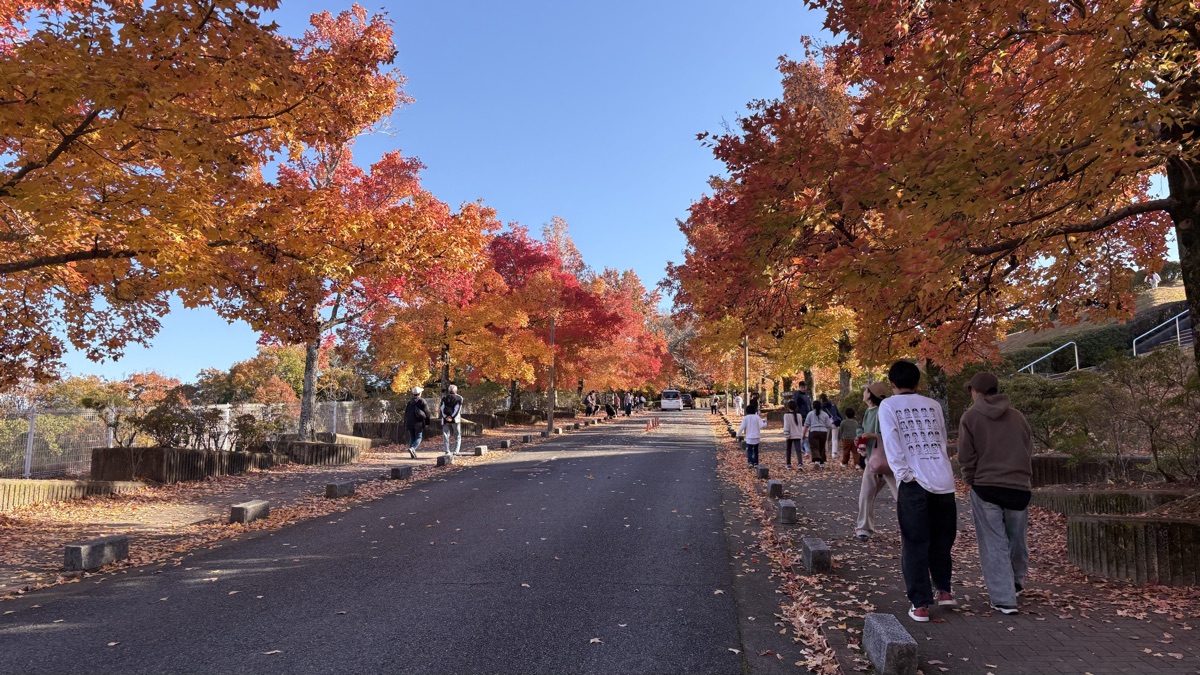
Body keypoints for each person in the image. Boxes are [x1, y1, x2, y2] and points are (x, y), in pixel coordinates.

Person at [878, 361, 958, 623]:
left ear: (892, 384)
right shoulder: (933, 405)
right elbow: (942, 438)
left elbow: (892, 443)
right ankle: (944, 591)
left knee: (915, 542)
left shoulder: (888, 405)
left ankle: (920, 604)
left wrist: (903, 475)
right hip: (943, 478)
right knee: (941, 540)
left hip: (914, 483)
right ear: (917, 382)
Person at [959, 372, 1033, 616]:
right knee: (1017, 539)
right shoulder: (1018, 417)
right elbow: (1027, 447)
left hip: (987, 485)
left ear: (975, 392)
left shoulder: (970, 417)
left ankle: (1003, 598)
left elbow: (966, 456)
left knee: (994, 543)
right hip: (1018, 485)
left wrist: (971, 479)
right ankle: (1016, 582)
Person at [855, 382, 897, 541]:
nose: (864, 392)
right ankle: (863, 529)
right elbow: (864, 430)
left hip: (887, 460)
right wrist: (861, 437)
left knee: (902, 495)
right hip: (873, 460)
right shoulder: (868, 411)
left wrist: (870, 436)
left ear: (871, 394)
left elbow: (886, 434)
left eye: (866, 390)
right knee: (866, 494)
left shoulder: (881, 411)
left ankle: (913, 527)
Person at [403, 386, 430, 459]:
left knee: (412, 437)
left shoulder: (409, 402)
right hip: (419, 423)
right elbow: (427, 413)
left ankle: (412, 451)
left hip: (409, 422)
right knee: (419, 437)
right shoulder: (422, 401)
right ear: (420, 393)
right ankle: (413, 448)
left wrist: (405, 423)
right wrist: (427, 423)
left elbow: (406, 413)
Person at [803, 400, 833, 466]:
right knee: (821, 447)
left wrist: (803, 434)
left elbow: (806, 425)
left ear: (813, 406)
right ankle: (821, 462)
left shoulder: (810, 414)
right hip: (823, 432)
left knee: (814, 447)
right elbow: (829, 425)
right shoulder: (825, 414)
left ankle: (817, 460)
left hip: (813, 432)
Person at [738, 400, 767, 467]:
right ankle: (756, 463)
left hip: (749, 437)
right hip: (756, 436)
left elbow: (742, 427)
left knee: (750, 450)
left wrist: (738, 434)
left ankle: (750, 462)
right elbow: (762, 425)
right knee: (756, 450)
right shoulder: (757, 417)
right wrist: (766, 422)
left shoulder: (745, 418)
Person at [440, 384, 464, 456]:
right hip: (455, 419)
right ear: (456, 391)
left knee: (446, 435)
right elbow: (457, 409)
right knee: (457, 435)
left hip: (445, 419)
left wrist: (446, 417)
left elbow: (442, 408)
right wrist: (452, 417)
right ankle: (456, 451)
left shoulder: (444, 398)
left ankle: (447, 451)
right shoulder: (459, 398)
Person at [782, 400, 805, 468]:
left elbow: (786, 425)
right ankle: (800, 463)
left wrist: (786, 434)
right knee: (798, 450)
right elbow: (800, 425)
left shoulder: (786, 415)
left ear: (788, 407)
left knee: (788, 450)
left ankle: (788, 464)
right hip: (797, 434)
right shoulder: (799, 415)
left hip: (789, 435)